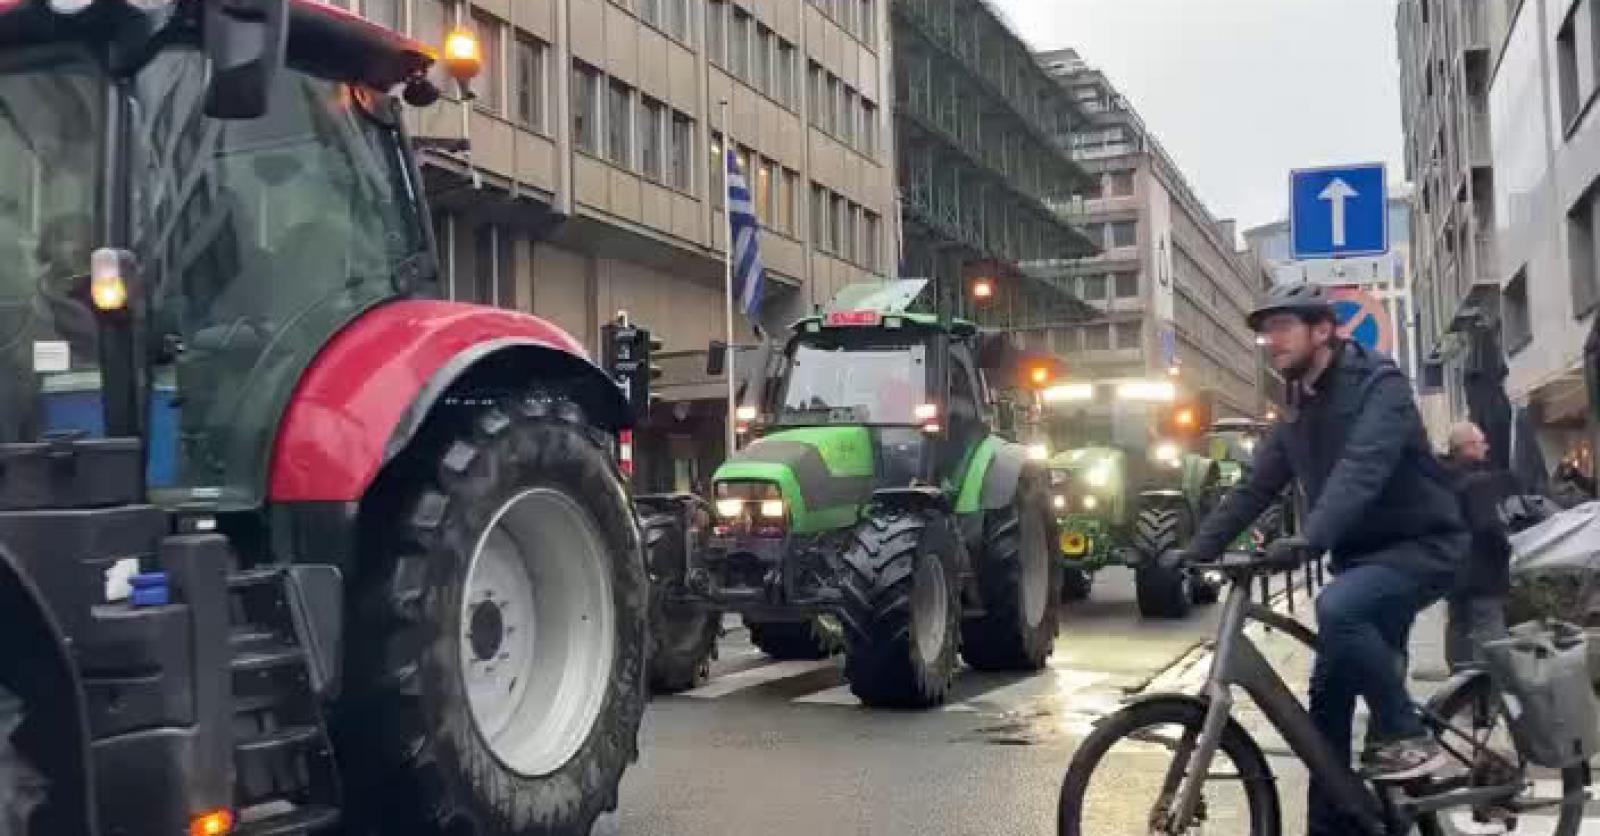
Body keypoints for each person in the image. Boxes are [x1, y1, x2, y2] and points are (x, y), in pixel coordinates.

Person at [1180, 283, 1467, 836]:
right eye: (1266, 331)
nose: (1270, 341)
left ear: (1323, 331)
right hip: (1362, 560)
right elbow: (1253, 490)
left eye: (1283, 327)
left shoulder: (1379, 386)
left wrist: (1312, 537)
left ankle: (1408, 735)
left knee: (1338, 609)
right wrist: (1194, 550)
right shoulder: (1297, 413)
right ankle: (1336, 827)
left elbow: (1363, 466)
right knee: (1325, 705)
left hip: (1423, 547)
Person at [1437, 421, 1515, 669]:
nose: (1487, 447)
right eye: (1482, 442)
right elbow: (1488, 527)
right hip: (1483, 574)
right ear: (1469, 447)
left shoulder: (1442, 480)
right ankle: (1491, 698)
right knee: (1492, 639)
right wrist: (1505, 550)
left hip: (1453, 573)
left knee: (1458, 631)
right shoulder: (1479, 482)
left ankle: (1460, 695)